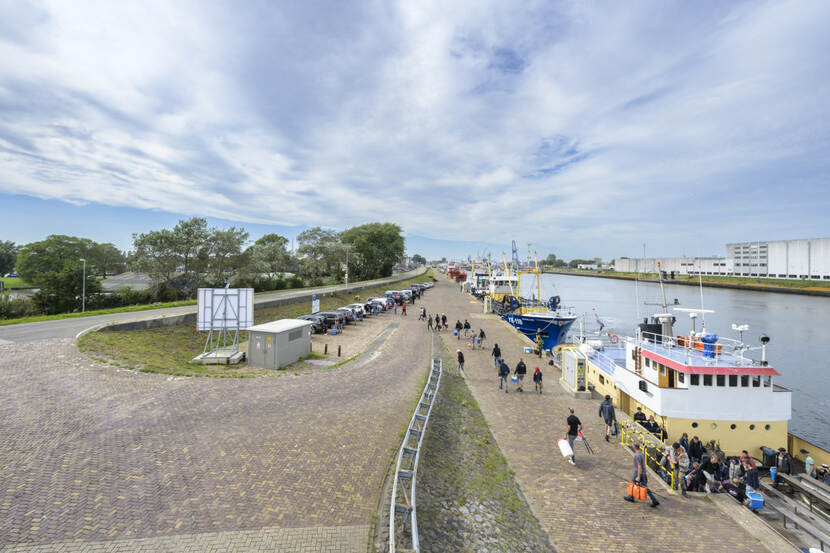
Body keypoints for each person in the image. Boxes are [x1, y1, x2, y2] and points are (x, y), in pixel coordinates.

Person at [624, 443, 660, 507]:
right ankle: (654, 500)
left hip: (638, 472)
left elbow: (639, 466)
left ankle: (631, 497)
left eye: (632, 445)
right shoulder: (641, 453)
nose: (632, 446)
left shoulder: (637, 455)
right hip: (643, 473)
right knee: (645, 487)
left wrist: (638, 476)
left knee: (633, 484)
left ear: (635, 447)